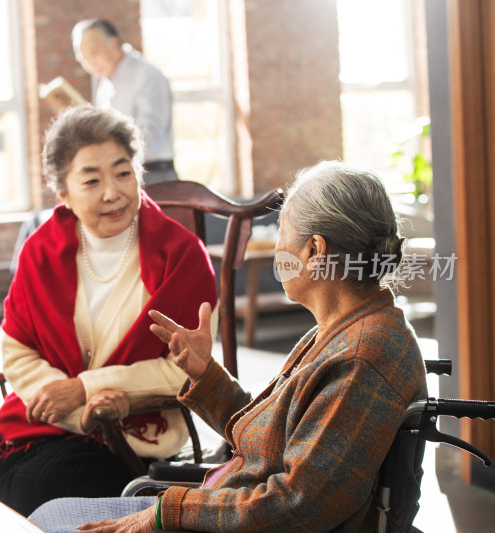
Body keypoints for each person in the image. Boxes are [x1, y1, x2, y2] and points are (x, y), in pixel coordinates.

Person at [29, 161, 429, 532]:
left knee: (48, 522)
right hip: (225, 506)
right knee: (47, 515)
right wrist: (206, 374)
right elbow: (270, 443)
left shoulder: (361, 356)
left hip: (230, 519)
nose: (276, 249)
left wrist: (169, 512)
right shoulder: (342, 333)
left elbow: (301, 504)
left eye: (282, 232)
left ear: (314, 251)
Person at [0, 105, 218, 516]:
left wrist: (84, 390)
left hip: (132, 435)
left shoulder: (181, 255)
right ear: (63, 193)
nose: (112, 192)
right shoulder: (40, 252)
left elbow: (184, 368)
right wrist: (74, 407)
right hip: (43, 424)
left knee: (38, 492)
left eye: (123, 172)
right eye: (92, 180)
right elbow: (18, 351)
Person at [72, 19, 177, 185]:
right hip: (120, 175)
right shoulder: (105, 84)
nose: (90, 64)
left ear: (114, 43)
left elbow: (153, 134)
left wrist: (108, 141)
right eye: (83, 60)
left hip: (154, 175)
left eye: (94, 54)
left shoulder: (147, 75)